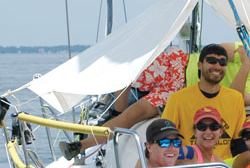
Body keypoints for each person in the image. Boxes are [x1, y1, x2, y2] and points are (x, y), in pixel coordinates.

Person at [59, 46, 189, 160]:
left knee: (131, 113)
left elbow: (123, 72)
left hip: (185, 80)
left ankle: (83, 143)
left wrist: (118, 111)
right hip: (175, 69)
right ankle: (79, 146)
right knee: (131, 113)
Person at [161, 44, 246, 160]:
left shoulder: (236, 98)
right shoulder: (178, 99)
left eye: (222, 63)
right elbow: (165, 138)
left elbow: (241, 142)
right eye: (212, 61)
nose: (217, 66)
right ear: (199, 65)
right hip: (190, 166)